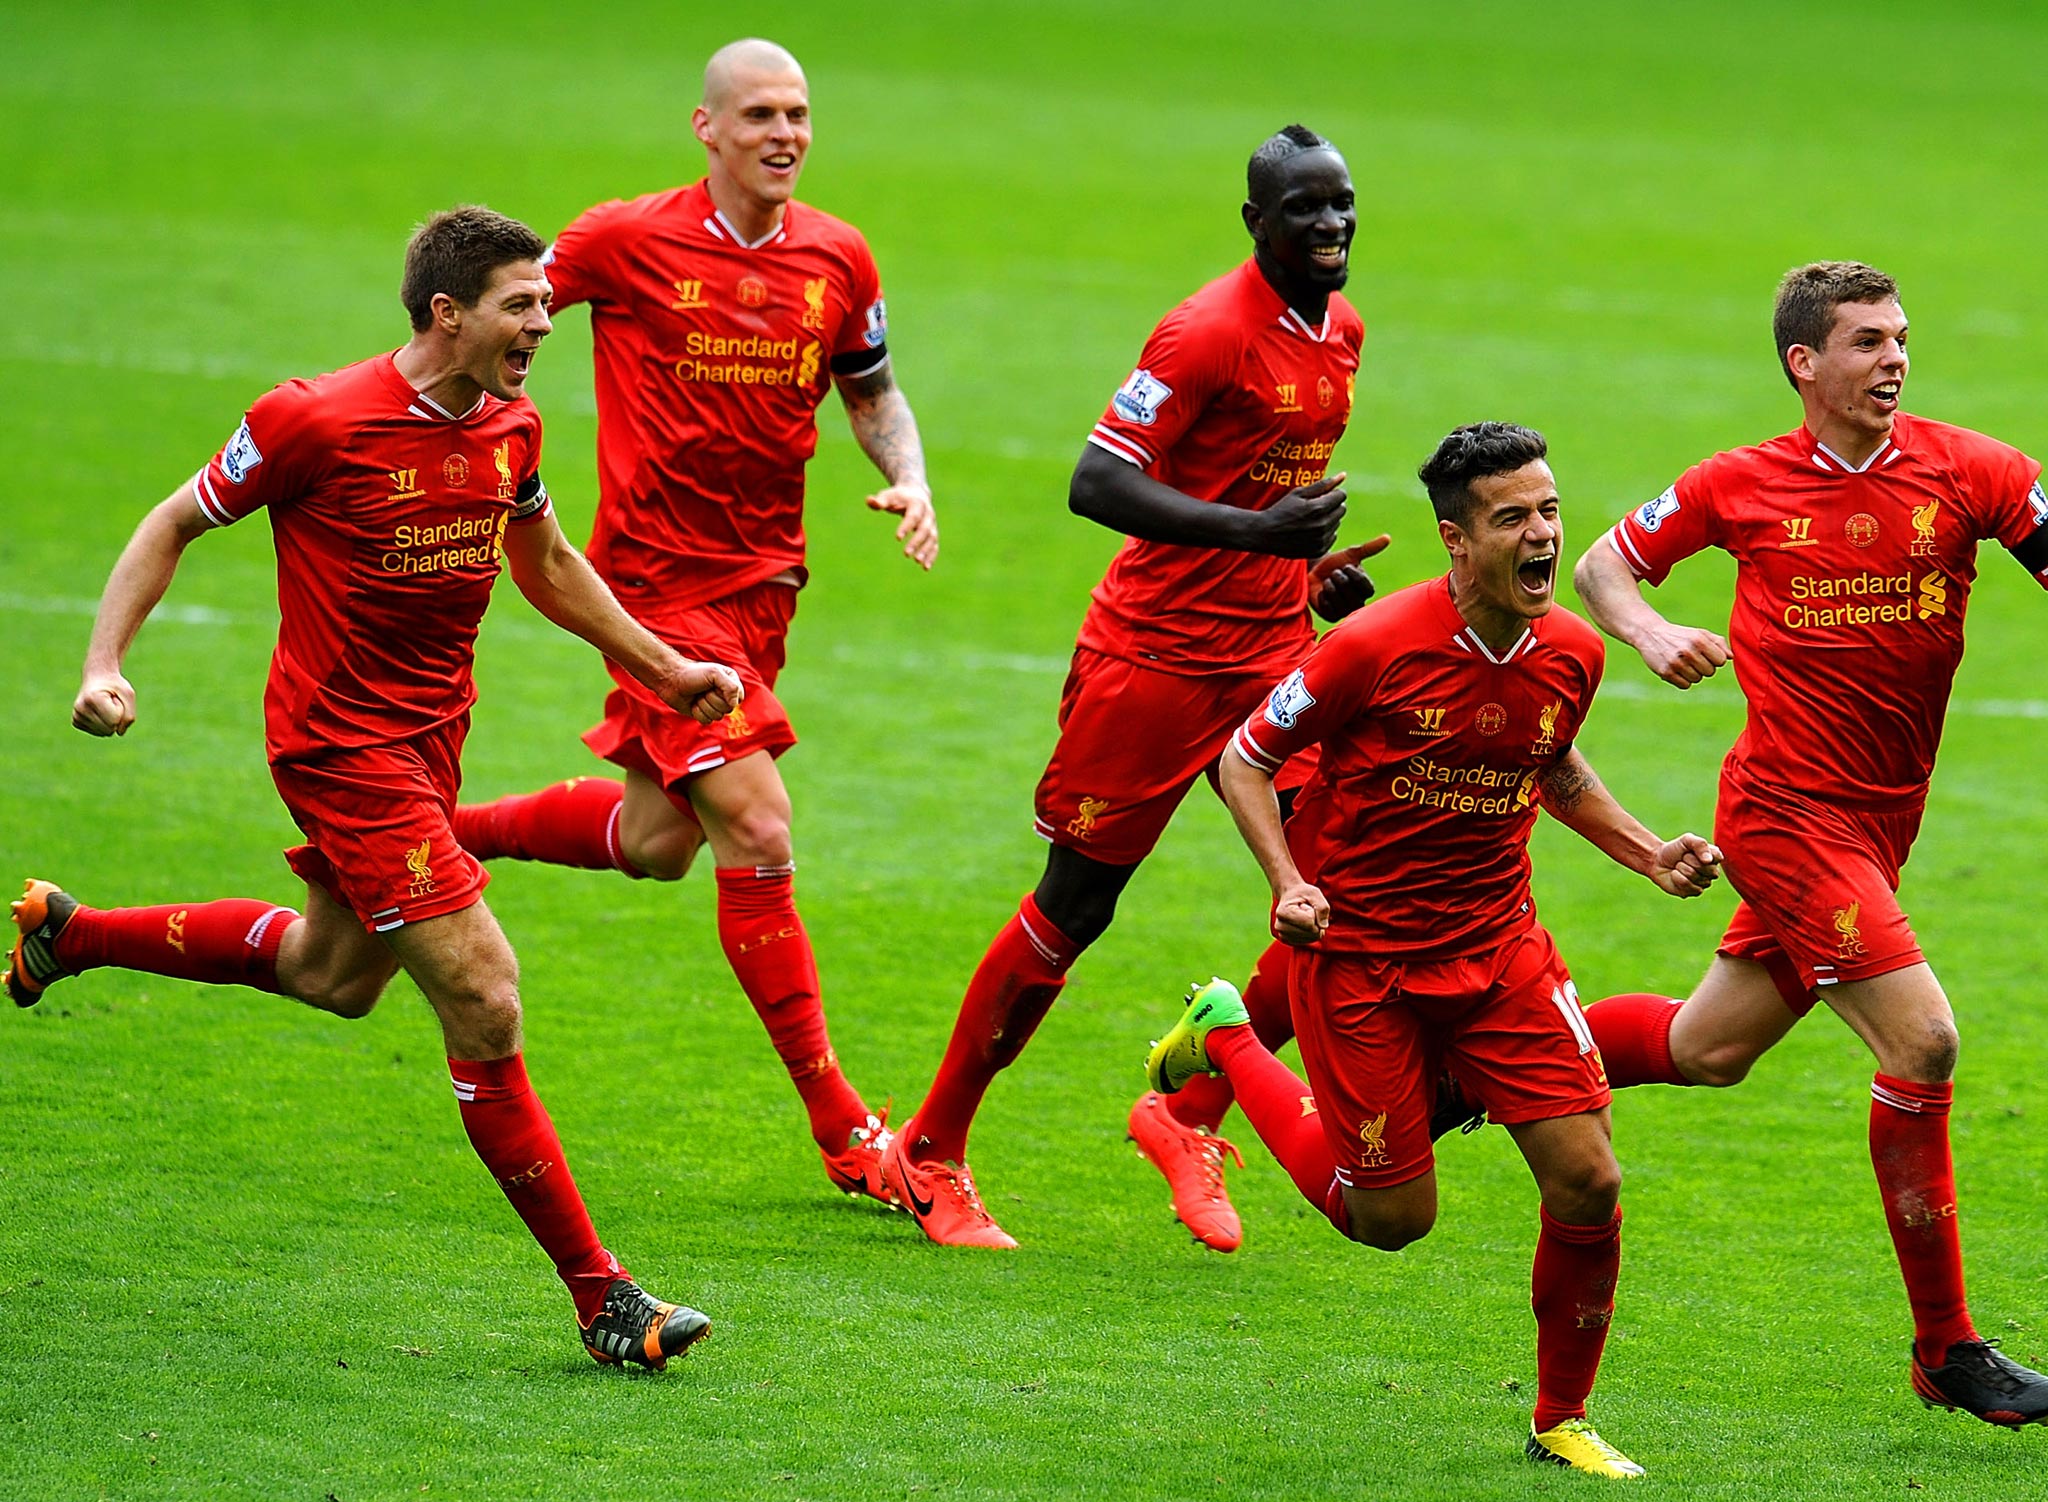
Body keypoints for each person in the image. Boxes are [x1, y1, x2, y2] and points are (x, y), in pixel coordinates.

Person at [5, 206, 743, 1372]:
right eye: (522, 303)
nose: (545, 321)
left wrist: (662, 665)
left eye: (547, 300)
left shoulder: (513, 424)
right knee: (487, 998)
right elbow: (173, 522)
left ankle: (70, 934)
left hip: (431, 742)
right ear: (446, 313)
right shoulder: (312, 419)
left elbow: (543, 561)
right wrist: (105, 665)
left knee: (333, 975)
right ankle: (603, 1296)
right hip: (341, 751)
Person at [1147, 421, 1721, 1476]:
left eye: (1548, 510)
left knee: (1588, 1179)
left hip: (1499, 952)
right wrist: (1288, 883)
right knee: (1388, 1222)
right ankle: (1228, 1032)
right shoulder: (1368, 648)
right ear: (1456, 540)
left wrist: (1648, 854)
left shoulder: (1573, 655)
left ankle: (1561, 1418)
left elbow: (1551, 768)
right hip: (1361, 962)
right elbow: (1243, 758)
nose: (1542, 535)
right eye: (1513, 518)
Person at [883, 124, 1392, 1248]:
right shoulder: (1206, 332)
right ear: (1254, 222)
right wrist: (1254, 532)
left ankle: (1192, 1102)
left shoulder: (1338, 332)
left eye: (1343, 204)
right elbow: (1094, 481)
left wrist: (1307, 576)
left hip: (1266, 654)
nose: (1330, 226)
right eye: (1304, 208)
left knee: (1347, 879)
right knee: (1075, 908)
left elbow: (1257, 493)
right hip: (1152, 661)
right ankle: (927, 1151)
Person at [450, 39, 935, 1204]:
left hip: (766, 588)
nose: (786, 133)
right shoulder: (624, 239)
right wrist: (443, 418)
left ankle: (448, 835)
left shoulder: (838, 256)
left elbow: (871, 389)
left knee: (661, 842)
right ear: (706, 128)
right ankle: (845, 1128)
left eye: (801, 114)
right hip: (654, 593)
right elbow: (503, 314)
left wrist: (909, 477)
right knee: (759, 830)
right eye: (761, 114)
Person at [1571, 260, 2048, 1428]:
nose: (1892, 358)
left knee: (1705, 1049)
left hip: (1881, 822)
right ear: (1804, 363)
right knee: (1921, 1042)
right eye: (1865, 341)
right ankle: (1945, 1350)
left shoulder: (1969, 469)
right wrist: (1644, 632)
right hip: (1785, 817)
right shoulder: (1739, 485)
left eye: (1898, 339)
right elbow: (1602, 564)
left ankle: (1480, 1059)